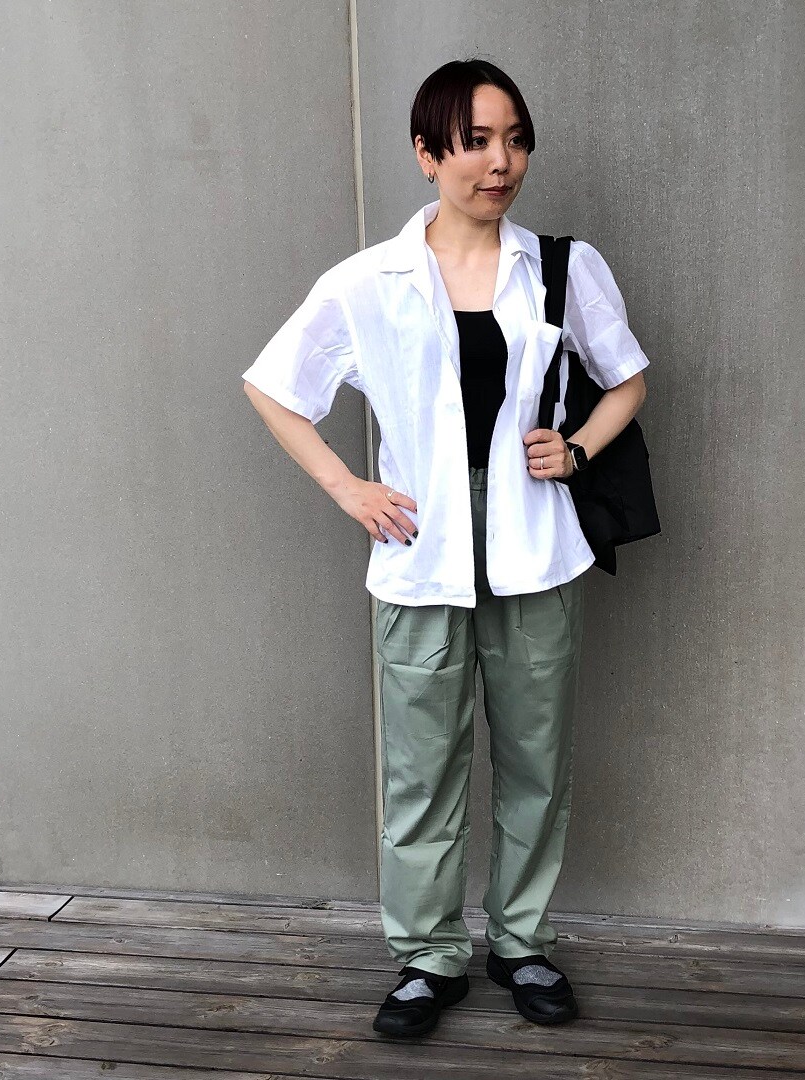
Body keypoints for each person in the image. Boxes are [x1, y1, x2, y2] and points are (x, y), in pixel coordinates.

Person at [242, 58, 649, 1039]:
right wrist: (348, 487)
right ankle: (428, 958)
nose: (500, 162)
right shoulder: (368, 281)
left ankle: (523, 942)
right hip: (423, 547)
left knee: (536, 763)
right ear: (428, 155)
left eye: (514, 139)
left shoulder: (560, 268)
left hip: (534, 543)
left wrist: (576, 448)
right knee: (422, 771)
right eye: (475, 142)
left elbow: (628, 378)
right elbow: (274, 385)